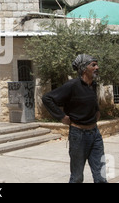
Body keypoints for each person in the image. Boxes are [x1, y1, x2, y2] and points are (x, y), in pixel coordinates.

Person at [42, 54, 108, 183]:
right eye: (93, 65)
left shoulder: (93, 85)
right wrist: (61, 116)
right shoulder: (72, 85)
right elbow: (47, 98)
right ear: (84, 68)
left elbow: (92, 101)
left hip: (95, 134)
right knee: (77, 177)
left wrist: (97, 111)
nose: (97, 67)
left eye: (96, 64)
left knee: (101, 176)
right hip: (78, 135)